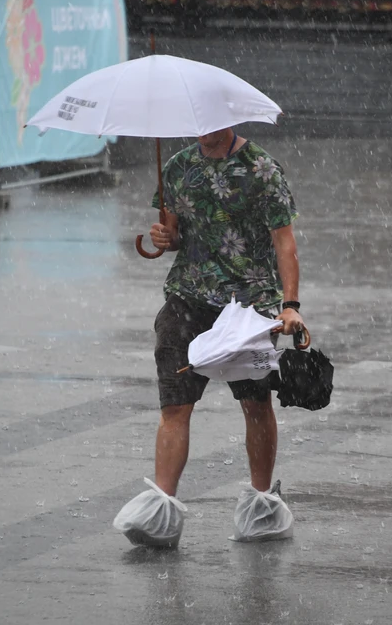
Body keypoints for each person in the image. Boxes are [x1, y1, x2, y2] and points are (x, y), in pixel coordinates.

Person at [114, 126, 303, 546]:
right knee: (175, 406)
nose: (205, 134)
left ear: (229, 121)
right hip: (188, 298)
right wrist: (166, 237)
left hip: (249, 304)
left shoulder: (262, 169)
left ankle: (261, 504)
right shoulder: (180, 166)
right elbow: (175, 234)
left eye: (212, 126)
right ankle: (161, 512)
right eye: (198, 126)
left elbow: (283, 243)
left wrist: (291, 305)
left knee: (256, 405)